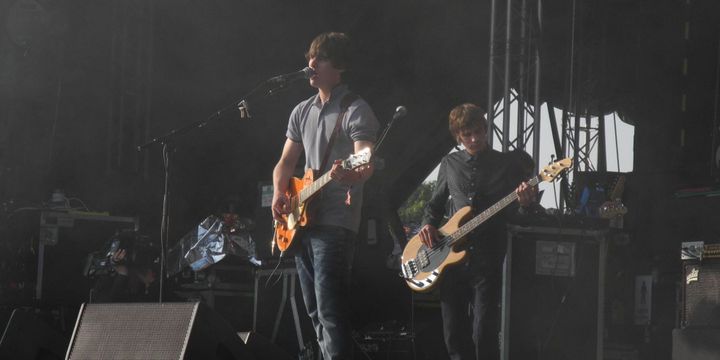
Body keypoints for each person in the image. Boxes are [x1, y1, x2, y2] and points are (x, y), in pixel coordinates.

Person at [271, 32, 379, 360]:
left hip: (335, 221)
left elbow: (366, 160)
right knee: (315, 313)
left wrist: (352, 172)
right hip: (302, 219)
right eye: (310, 57)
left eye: (321, 59)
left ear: (340, 67)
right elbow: (286, 163)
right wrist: (279, 192)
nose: (311, 64)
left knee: (331, 312)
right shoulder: (301, 111)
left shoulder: (356, 109)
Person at [418, 103, 535, 360]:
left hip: (488, 256)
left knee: (484, 330)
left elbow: (516, 216)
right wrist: (427, 224)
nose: (474, 139)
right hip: (451, 256)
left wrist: (526, 205)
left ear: (485, 130)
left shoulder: (506, 164)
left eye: (478, 132)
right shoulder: (449, 163)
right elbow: (435, 205)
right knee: (453, 331)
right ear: (458, 136)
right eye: (467, 134)